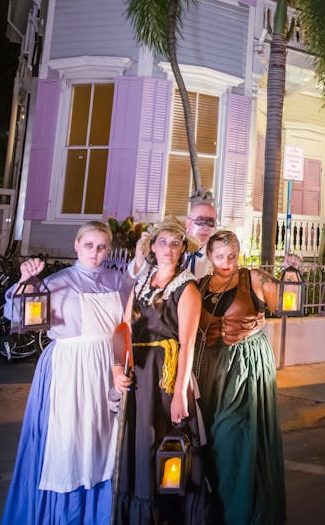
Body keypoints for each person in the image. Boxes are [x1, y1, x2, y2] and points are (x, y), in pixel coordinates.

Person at [1, 221, 135, 525]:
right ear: (76, 245)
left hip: (107, 367)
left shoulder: (120, 281)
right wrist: (26, 281)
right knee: (68, 439)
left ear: (108, 249)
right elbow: (15, 314)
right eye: (88, 245)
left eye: (101, 246)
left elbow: (128, 325)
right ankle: (65, 514)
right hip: (69, 369)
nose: (95, 252)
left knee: (103, 438)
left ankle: (101, 513)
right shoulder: (57, 281)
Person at [194, 231, 286, 525]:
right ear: (209, 256)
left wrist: (287, 277)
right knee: (209, 445)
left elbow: (286, 301)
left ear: (239, 253)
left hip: (244, 370)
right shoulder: (200, 286)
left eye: (231, 255)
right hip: (209, 372)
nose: (226, 262)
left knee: (235, 440)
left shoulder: (254, 279)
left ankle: (244, 516)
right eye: (219, 256)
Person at [123, 218, 210, 524]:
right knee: (139, 445)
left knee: (165, 445)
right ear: (153, 246)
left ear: (183, 248)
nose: (169, 249)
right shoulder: (142, 284)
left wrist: (178, 396)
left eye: (175, 243)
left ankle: (168, 516)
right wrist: (119, 371)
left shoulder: (187, 288)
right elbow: (125, 330)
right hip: (140, 377)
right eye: (163, 242)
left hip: (166, 378)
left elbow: (186, 344)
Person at [129, 197, 218, 280]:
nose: (205, 227)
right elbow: (135, 277)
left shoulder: (217, 255)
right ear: (188, 223)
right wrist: (140, 255)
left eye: (210, 222)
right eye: (200, 221)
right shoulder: (164, 244)